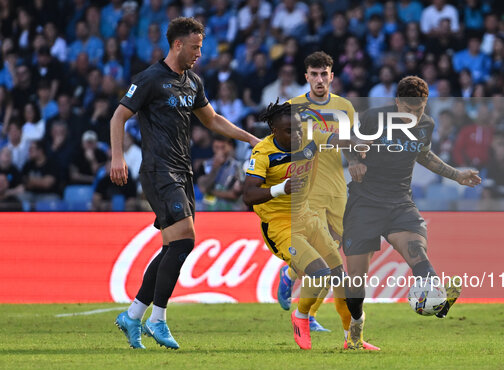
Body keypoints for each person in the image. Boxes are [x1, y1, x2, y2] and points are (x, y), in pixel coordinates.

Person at [111, 17, 259, 350]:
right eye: (195, 47)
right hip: (158, 170)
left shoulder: (193, 82)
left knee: (172, 246)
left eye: (201, 48)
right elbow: (119, 115)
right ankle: (157, 319)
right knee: (184, 241)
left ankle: (133, 315)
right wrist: (117, 157)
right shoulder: (150, 79)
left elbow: (213, 119)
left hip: (183, 171)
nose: (198, 54)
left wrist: (251, 138)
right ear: (178, 44)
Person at [342, 76, 481, 349]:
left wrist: (456, 175)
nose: (413, 116)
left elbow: (424, 155)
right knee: (357, 279)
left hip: (399, 203)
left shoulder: (426, 125)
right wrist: (356, 160)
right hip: (364, 203)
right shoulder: (374, 118)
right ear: (396, 104)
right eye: (408, 111)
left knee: (417, 251)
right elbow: (348, 141)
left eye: (418, 111)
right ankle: (356, 326)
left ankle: (435, 300)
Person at [242, 100, 378, 351]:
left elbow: (336, 138)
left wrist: (355, 143)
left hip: (308, 217)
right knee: (320, 273)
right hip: (281, 226)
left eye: (297, 129)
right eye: (288, 131)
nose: (295, 135)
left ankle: (353, 339)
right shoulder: (263, 152)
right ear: (274, 130)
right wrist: (281, 188)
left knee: (340, 280)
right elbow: (248, 195)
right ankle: (301, 316)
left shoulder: (309, 135)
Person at [276, 51, 356, 334]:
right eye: (314, 74)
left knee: (335, 252)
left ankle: (293, 281)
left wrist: (357, 161)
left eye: (325, 74)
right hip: (308, 192)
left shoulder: (344, 106)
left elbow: (350, 142)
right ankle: (304, 308)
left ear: (332, 76)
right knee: (325, 254)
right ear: (306, 77)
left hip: (337, 189)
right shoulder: (293, 107)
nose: (320, 79)